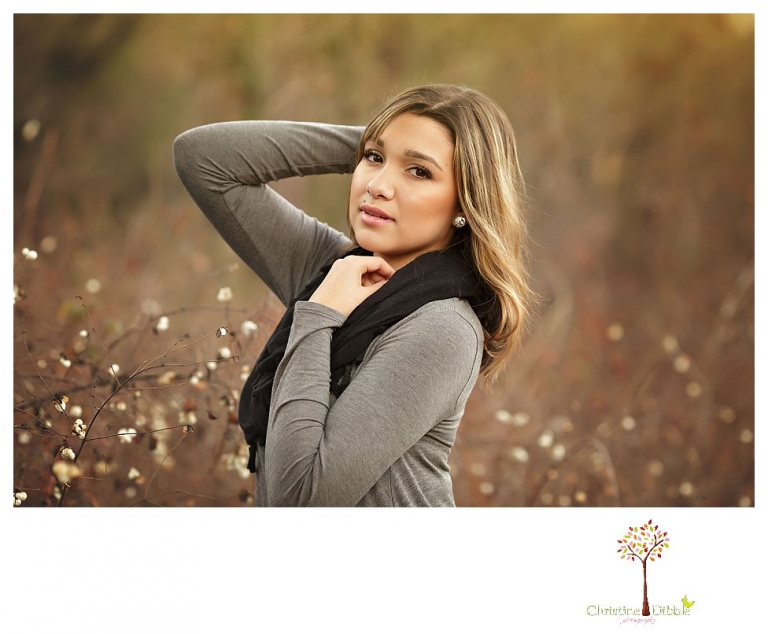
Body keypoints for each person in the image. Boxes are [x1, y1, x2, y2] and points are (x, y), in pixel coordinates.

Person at [173, 83, 533, 507]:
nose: (378, 185)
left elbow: (302, 499)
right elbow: (204, 158)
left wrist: (320, 312)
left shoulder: (442, 329)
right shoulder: (331, 268)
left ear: (464, 203)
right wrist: (384, 139)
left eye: (419, 172)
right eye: (373, 160)